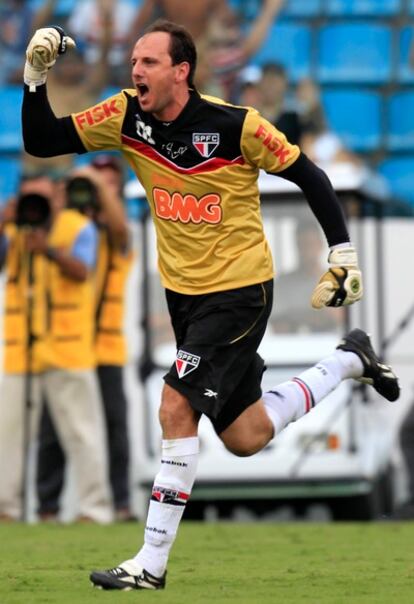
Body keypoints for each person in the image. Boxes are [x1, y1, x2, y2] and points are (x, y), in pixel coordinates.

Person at [21, 20, 399, 589]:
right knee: (246, 436)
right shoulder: (126, 116)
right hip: (185, 299)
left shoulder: (236, 126)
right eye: (134, 61)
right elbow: (41, 141)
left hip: (240, 291)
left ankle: (150, 565)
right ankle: (351, 360)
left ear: (182, 71)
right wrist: (34, 79)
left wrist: (342, 254)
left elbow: (310, 175)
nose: (135, 71)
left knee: (176, 406)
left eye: (149, 62)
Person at [0, 173, 113, 523]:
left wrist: (47, 249)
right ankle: (7, 509)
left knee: (83, 433)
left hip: (68, 349)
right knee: (8, 436)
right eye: (29, 199)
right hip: (21, 350)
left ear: (58, 200)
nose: (36, 208)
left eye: (42, 200)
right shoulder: (11, 231)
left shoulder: (79, 227)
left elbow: (83, 270)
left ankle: (94, 510)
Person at [36, 157, 135, 522]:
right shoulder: (70, 229)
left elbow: (120, 227)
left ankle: (120, 504)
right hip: (68, 344)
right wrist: (65, 192)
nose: (95, 194)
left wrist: (94, 182)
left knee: (113, 427)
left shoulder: (119, 234)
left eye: (108, 186)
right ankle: (48, 507)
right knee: (53, 428)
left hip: (105, 346)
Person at [271, 219, 343, 334]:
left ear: (320, 245)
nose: (307, 250)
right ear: (296, 246)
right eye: (303, 245)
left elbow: (342, 319)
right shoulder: (283, 284)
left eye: (311, 244)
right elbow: (278, 327)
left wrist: (297, 317)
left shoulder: (336, 281)